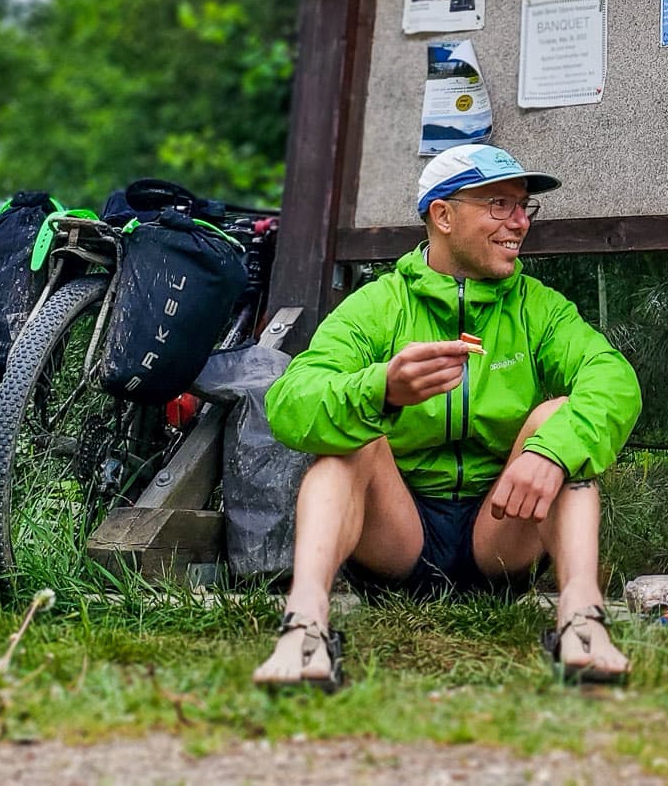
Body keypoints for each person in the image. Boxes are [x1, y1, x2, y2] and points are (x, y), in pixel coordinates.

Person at [254, 144, 642, 689]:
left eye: (524, 207)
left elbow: (612, 379)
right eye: (500, 205)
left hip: (499, 535)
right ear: (443, 214)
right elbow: (291, 402)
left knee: (560, 422)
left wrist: (553, 449)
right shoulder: (379, 305)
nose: (520, 223)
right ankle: (306, 626)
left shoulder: (539, 307)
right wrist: (381, 390)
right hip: (397, 539)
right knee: (353, 435)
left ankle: (581, 619)